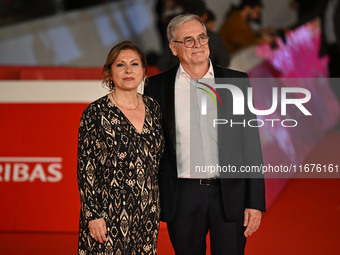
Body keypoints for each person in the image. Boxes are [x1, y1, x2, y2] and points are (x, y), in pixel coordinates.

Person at [145, 14, 265, 255]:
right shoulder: (155, 88)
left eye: (201, 37)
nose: (198, 44)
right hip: (182, 196)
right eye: (188, 40)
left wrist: (254, 201)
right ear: (173, 48)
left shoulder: (236, 82)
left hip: (230, 194)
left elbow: (251, 145)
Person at [77, 41, 164, 254]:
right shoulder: (96, 112)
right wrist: (93, 215)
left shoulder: (154, 108)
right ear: (109, 72)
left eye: (134, 64)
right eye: (120, 65)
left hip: (147, 213)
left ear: (143, 70)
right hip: (107, 213)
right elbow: (86, 168)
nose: (128, 70)